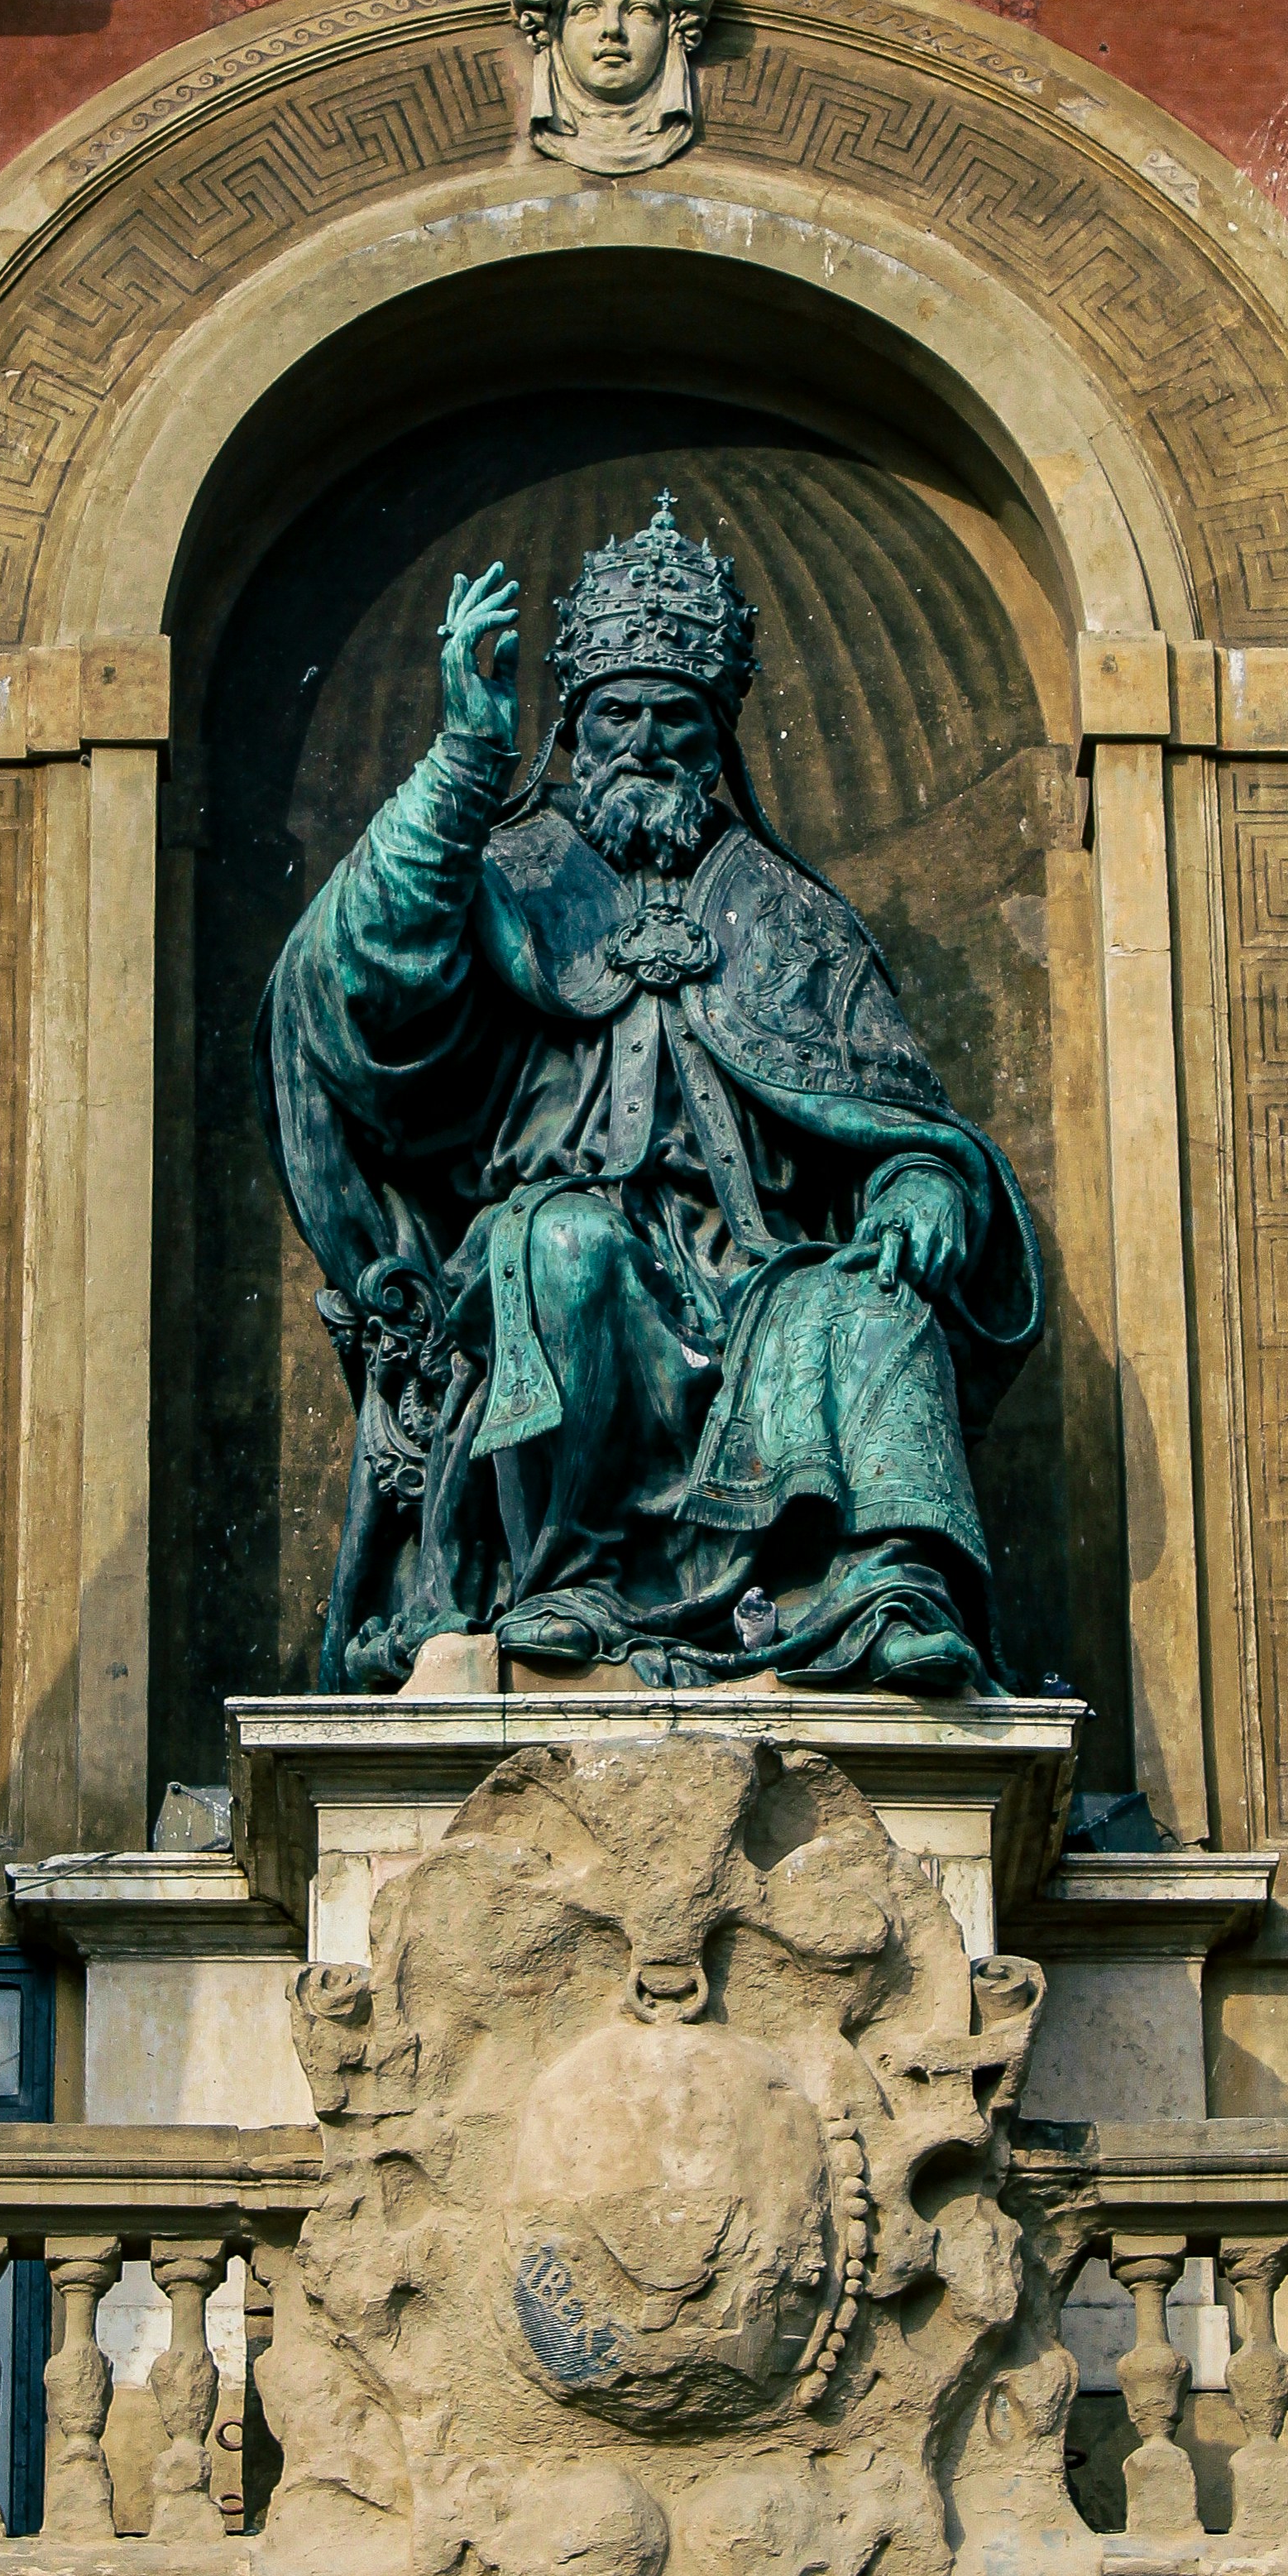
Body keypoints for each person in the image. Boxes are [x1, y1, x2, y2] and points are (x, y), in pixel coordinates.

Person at [261, 494, 1043, 1694]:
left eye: (674, 716)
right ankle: (567, 1580)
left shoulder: (789, 908)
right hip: (553, 1233)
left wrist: (922, 1183)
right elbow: (356, 978)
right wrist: (463, 764)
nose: (645, 741)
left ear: (715, 737)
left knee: (870, 1303)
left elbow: (894, 1107)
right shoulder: (508, 874)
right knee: (566, 1250)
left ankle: (888, 1595)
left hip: (762, 1263)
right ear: (574, 729)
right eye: (615, 714)